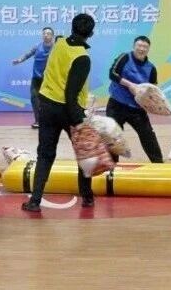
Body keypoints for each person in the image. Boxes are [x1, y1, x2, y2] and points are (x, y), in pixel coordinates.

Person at [21, 14, 96, 212]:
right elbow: (71, 95)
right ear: (91, 34)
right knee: (84, 153)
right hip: (68, 110)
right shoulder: (82, 58)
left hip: (46, 106)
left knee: (45, 154)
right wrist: (80, 120)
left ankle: (35, 201)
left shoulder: (59, 42)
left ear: (72, 27)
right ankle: (87, 196)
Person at [106, 36, 163, 163]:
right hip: (116, 105)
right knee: (113, 136)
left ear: (148, 49)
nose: (141, 49)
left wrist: (149, 100)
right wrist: (131, 85)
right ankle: (112, 168)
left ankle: (159, 164)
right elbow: (112, 74)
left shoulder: (151, 68)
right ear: (134, 46)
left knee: (148, 135)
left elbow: (153, 90)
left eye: (145, 47)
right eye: (139, 46)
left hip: (137, 109)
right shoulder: (124, 57)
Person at [12, 27, 55, 129]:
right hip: (36, 79)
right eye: (44, 33)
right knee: (34, 99)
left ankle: (51, 122)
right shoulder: (37, 46)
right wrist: (19, 60)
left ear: (52, 36)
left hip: (49, 80)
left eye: (48, 33)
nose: (46, 35)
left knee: (49, 102)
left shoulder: (56, 48)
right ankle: (38, 121)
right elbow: (27, 55)